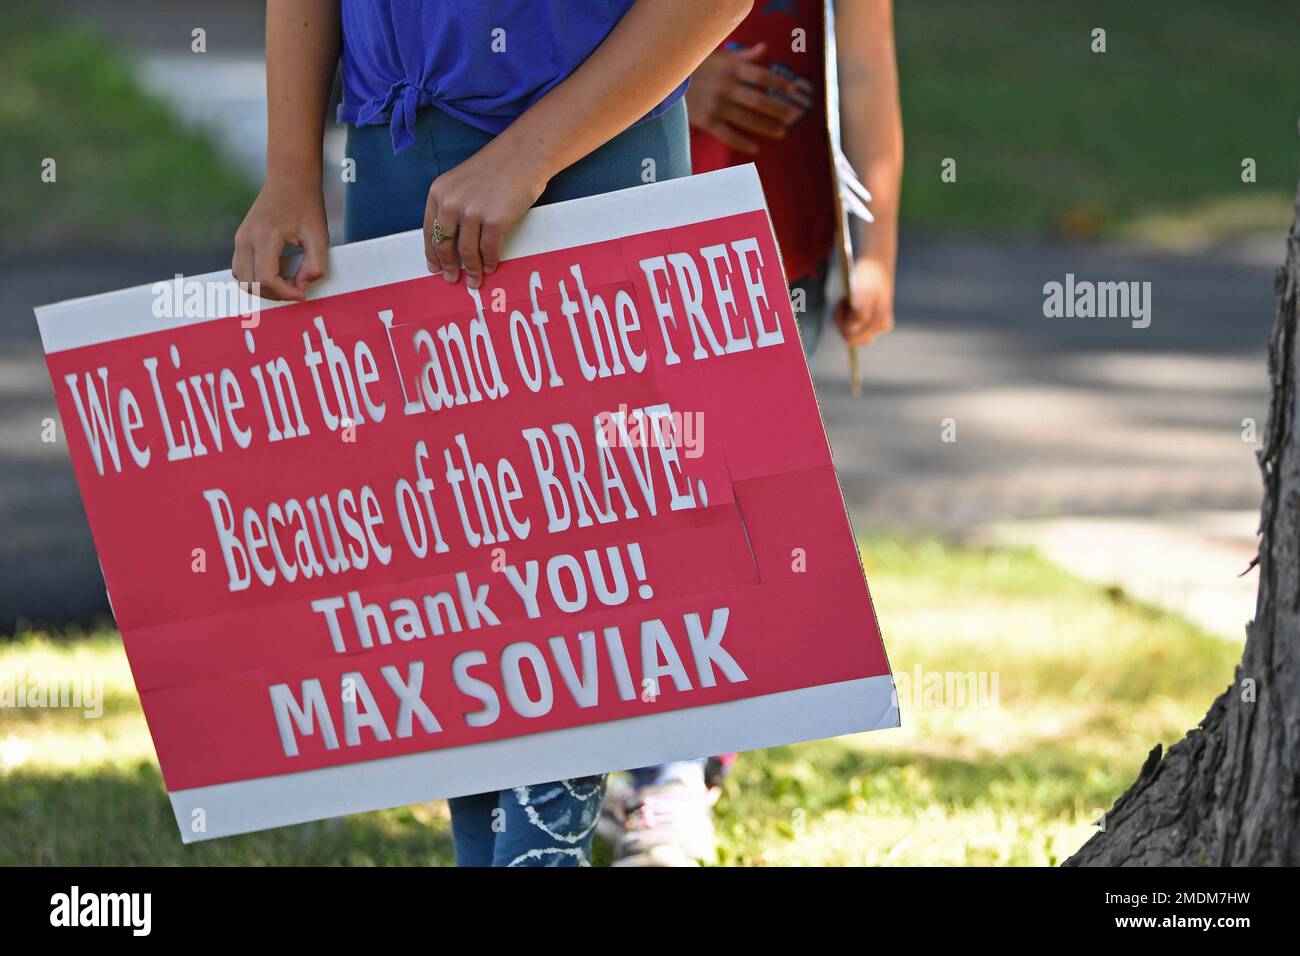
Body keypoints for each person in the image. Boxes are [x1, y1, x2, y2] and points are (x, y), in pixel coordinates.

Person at [231, 0, 753, 867]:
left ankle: (587, 825)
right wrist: (291, 168)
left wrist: (531, 151)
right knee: (455, 564)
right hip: (392, 143)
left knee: (585, 558)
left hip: (594, 140)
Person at [606, 0, 903, 866]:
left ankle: (684, 758)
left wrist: (875, 246)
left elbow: (868, 62)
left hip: (783, 250)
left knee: (745, 517)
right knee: (657, 507)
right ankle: (664, 774)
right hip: (634, 233)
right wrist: (672, 83)